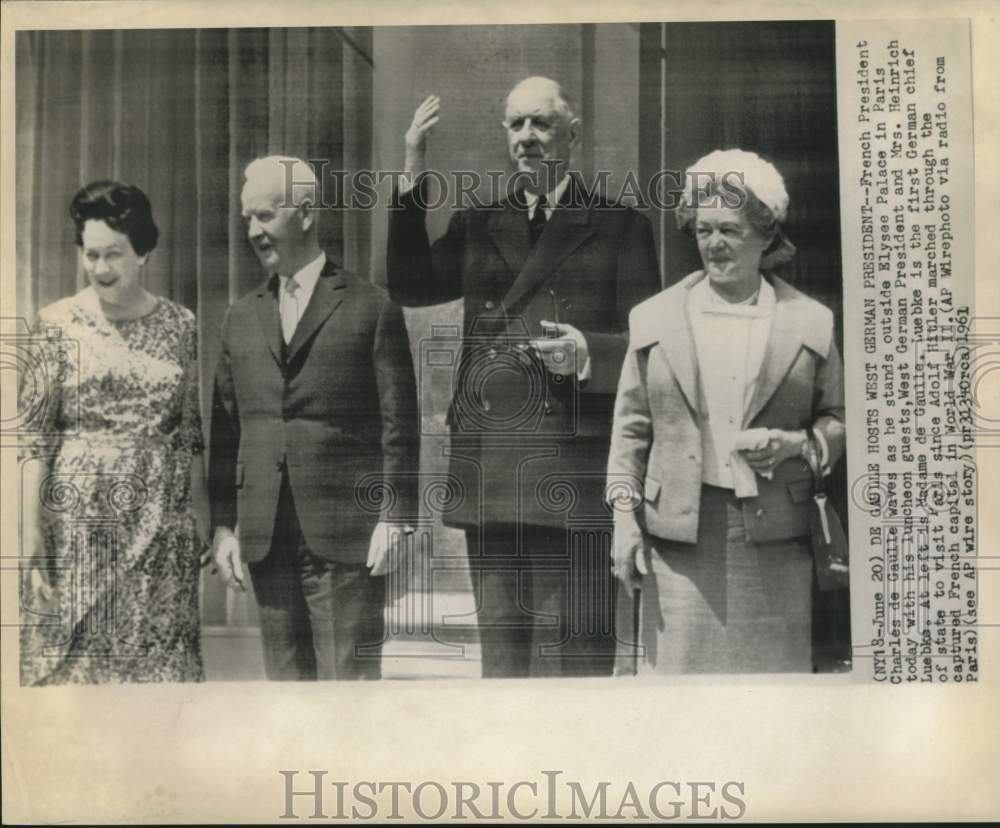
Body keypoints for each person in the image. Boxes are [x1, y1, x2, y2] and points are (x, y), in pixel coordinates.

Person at [387, 77, 660, 677]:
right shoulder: (478, 222)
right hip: (492, 467)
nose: (528, 139)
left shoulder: (621, 227)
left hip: (573, 470)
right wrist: (413, 166)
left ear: (573, 134)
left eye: (540, 124)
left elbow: (652, 356)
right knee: (504, 663)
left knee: (574, 658)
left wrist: (590, 351)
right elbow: (408, 284)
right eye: (516, 125)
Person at [607, 149, 846, 674]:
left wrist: (797, 447)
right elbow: (630, 432)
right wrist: (624, 520)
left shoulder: (810, 322)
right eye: (703, 229)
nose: (714, 244)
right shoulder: (654, 319)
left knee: (772, 705)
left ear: (766, 235)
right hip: (679, 544)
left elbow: (839, 417)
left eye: (730, 230)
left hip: (776, 542)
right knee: (680, 702)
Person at [208, 156, 419, 681]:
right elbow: (226, 426)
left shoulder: (371, 308)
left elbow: (400, 424)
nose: (253, 232)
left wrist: (395, 515)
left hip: (347, 539)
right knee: (286, 699)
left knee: (349, 694)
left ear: (304, 213)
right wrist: (222, 527)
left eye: (263, 216)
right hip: (265, 538)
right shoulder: (240, 316)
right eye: (247, 220)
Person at [19, 180, 209, 684]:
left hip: (161, 525)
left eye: (115, 255)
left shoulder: (180, 324)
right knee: (78, 667)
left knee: (156, 668)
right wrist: (29, 530)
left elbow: (190, 434)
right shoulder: (54, 324)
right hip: (80, 523)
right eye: (91, 254)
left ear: (144, 251)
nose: (101, 268)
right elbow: (35, 437)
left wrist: (202, 523)